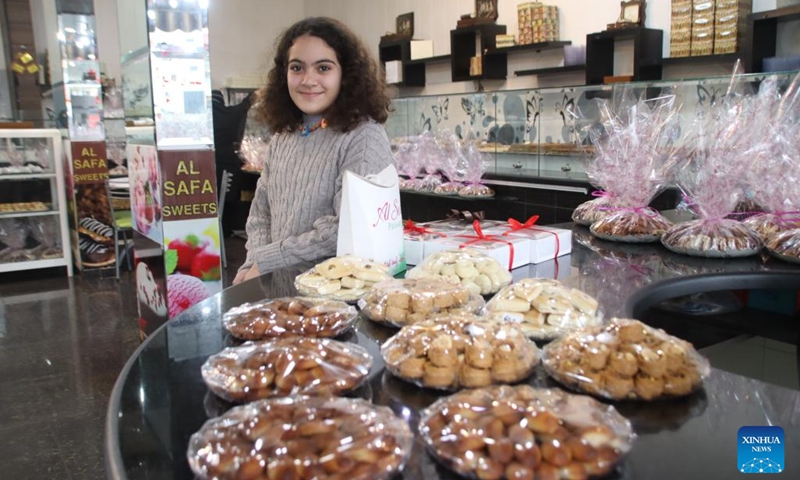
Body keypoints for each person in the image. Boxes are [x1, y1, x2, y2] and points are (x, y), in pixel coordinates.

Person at [233, 17, 394, 285]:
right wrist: (253, 262)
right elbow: (261, 213)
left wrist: (268, 259)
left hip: (337, 302)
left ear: (346, 74)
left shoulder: (363, 136)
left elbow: (346, 227)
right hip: (281, 296)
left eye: (323, 68)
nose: (308, 80)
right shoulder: (282, 138)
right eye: (297, 67)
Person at [211, 89, 253, 237]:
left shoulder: (204, 118)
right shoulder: (230, 114)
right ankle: (226, 230)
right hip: (228, 162)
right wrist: (252, 94)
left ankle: (213, 230)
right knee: (227, 199)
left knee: (212, 198)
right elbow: (244, 105)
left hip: (207, 162)